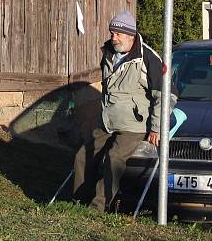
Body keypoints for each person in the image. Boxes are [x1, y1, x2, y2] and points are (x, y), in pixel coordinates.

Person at [72, 11, 176, 212]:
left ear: (131, 36)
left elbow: (166, 95)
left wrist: (156, 127)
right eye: (112, 33)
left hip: (134, 124)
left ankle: (98, 207)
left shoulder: (148, 58)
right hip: (107, 120)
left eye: (118, 34)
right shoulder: (108, 54)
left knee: (114, 159)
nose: (114, 38)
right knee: (82, 156)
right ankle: (78, 202)